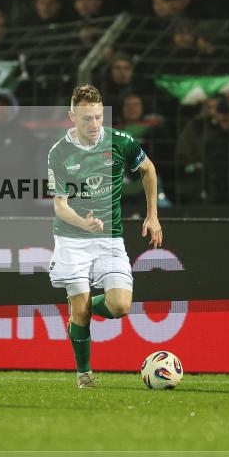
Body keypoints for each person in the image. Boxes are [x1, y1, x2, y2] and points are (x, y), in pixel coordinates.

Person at [47, 85, 162, 389]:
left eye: (98, 117)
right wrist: (83, 225)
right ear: (73, 117)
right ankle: (84, 375)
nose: (94, 124)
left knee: (120, 306)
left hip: (109, 238)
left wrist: (153, 216)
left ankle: (78, 310)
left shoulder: (120, 142)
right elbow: (60, 205)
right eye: (87, 119)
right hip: (72, 238)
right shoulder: (59, 153)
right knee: (82, 308)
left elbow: (148, 169)